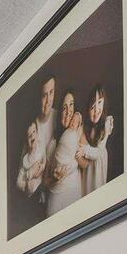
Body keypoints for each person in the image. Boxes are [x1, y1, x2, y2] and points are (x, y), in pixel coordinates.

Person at [44, 89, 88, 217]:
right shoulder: (53, 143)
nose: (68, 111)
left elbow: (85, 165)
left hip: (73, 194)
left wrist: (74, 149)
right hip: (55, 198)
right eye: (64, 107)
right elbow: (45, 181)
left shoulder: (79, 134)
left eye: (71, 105)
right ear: (59, 112)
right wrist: (54, 178)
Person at [16, 76, 57, 199]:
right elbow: (20, 181)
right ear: (38, 97)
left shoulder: (60, 117)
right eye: (44, 95)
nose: (48, 100)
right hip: (39, 198)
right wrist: (30, 174)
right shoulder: (31, 128)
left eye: (51, 92)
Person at [81, 84, 115, 194]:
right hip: (88, 167)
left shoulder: (105, 124)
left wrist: (84, 150)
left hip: (98, 163)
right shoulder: (86, 128)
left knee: (97, 188)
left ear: (104, 102)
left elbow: (98, 152)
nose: (96, 110)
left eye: (99, 102)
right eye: (92, 107)